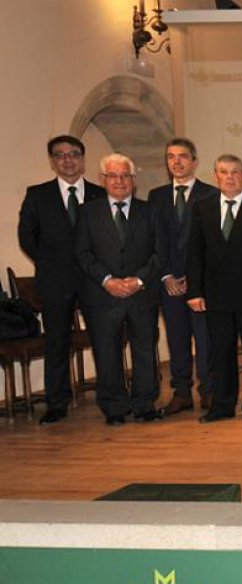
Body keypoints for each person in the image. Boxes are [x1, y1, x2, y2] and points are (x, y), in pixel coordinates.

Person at [17, 135, 105, 425]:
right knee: (57, 342)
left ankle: (110, 396)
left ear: (83, 158)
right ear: (52, 161)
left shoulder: (99, 194)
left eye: (74, 154)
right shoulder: (37, 195)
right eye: (60, 155)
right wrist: (50, 263)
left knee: (104, 339)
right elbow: (27, 237)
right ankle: (57, 402)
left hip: (94, 280)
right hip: (56, 281)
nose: (68, 160)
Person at [186, 154, 242, 424]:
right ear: (215, 175)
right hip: (216, 295)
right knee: (221, 352)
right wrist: (194, 291)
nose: (230, 177)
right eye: (224, 172)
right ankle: (222, 405)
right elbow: (195, 253)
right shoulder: (202, 208)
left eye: (235, 172)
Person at [74, 153, 162, 426]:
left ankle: (145, 403)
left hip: (142, 294)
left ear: (133, 181)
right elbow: (83, 253)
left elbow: (160, 253)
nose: (120, 181)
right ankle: (114, 407)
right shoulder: (87, 213)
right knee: (107, 351)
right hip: (102, 295)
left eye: (125, 175)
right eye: (113, 176)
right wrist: (107, 280)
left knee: (145, 350)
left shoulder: (150, 211)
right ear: (103, 180)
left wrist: (138, 280)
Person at [148, 138, 218, 415]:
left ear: (195, 162)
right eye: (171, 157)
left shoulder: (212, 194)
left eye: (183, 157)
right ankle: (181, 393)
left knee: (205, 341)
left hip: (200, 284)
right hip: (169, 285)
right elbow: (153, 241)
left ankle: (209, 391)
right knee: (176, 340)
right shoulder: (156, 197)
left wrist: (194, 276)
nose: (176, 162)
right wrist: (166, 276)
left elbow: (213, 243)